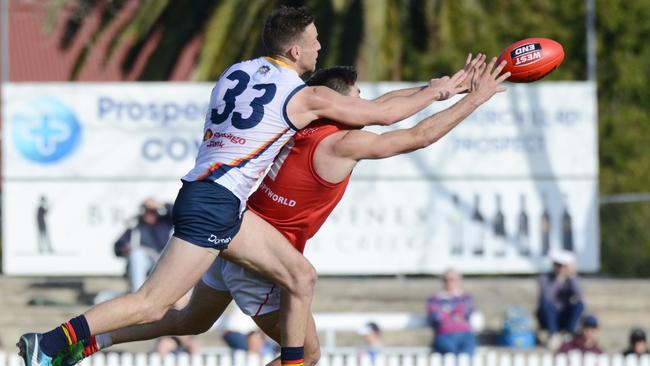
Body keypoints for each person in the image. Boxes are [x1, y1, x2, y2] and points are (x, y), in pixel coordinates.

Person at [18, 6, 475, 366]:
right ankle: (49, 343)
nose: (319, 49)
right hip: (216, 203)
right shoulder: (306, 96)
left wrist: (435, 87)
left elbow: (368, 105)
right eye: (314, 42)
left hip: (225, 204)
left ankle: (82, 347)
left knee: (269, 289)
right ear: (295, 51)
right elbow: (381, 115)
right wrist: (440, 93)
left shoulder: (235, 74)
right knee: (151, 302)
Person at [114, 199, 172, 292]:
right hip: (143, 262)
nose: (150, 214)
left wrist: (160, 204)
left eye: (152, 211)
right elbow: (118, 246)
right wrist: (124, 248)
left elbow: (177, 212)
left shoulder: (164, 224)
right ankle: (137, 293)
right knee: (136, 254)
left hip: (160, 260)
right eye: (148, 211)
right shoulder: (135, 227)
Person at [536, 248, 585, 349]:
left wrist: (571, 277)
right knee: (545, 303)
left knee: (579, 304)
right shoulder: (544, 278)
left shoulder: (572, 279)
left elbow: (580, 295)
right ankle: (553, 334)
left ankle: (569, 334)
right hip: (549, 315)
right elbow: (547, 296)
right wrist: (558, 280)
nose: (561, 268)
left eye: (563, 266)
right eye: (558, 265)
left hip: (564, 315)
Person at [427, 268, 477, 355]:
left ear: (459, 281)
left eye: (452, 280)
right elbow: (435, 317)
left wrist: (446, 311)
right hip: (444, 334)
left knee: (466, 357)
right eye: (446, 280)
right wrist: (455, 312)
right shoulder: (434, 299)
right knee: (450, 355)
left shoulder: (466, 297)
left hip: (465, 334)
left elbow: (466, 312)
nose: (449, 282)